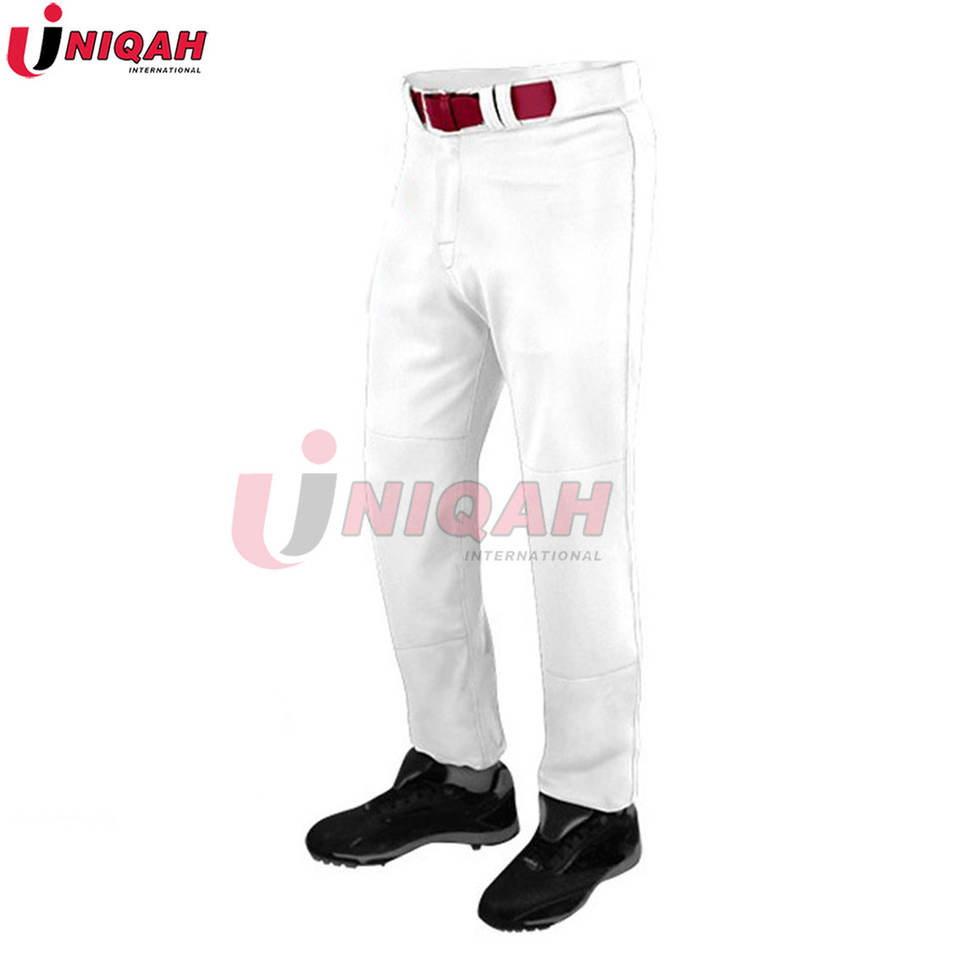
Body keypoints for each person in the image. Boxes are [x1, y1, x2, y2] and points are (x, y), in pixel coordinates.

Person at [306, 60, 655, 931]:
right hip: (431, 151)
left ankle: (593, 806)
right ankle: (458, 770)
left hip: (565, 152)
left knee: (572, 495)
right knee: (405, 482)